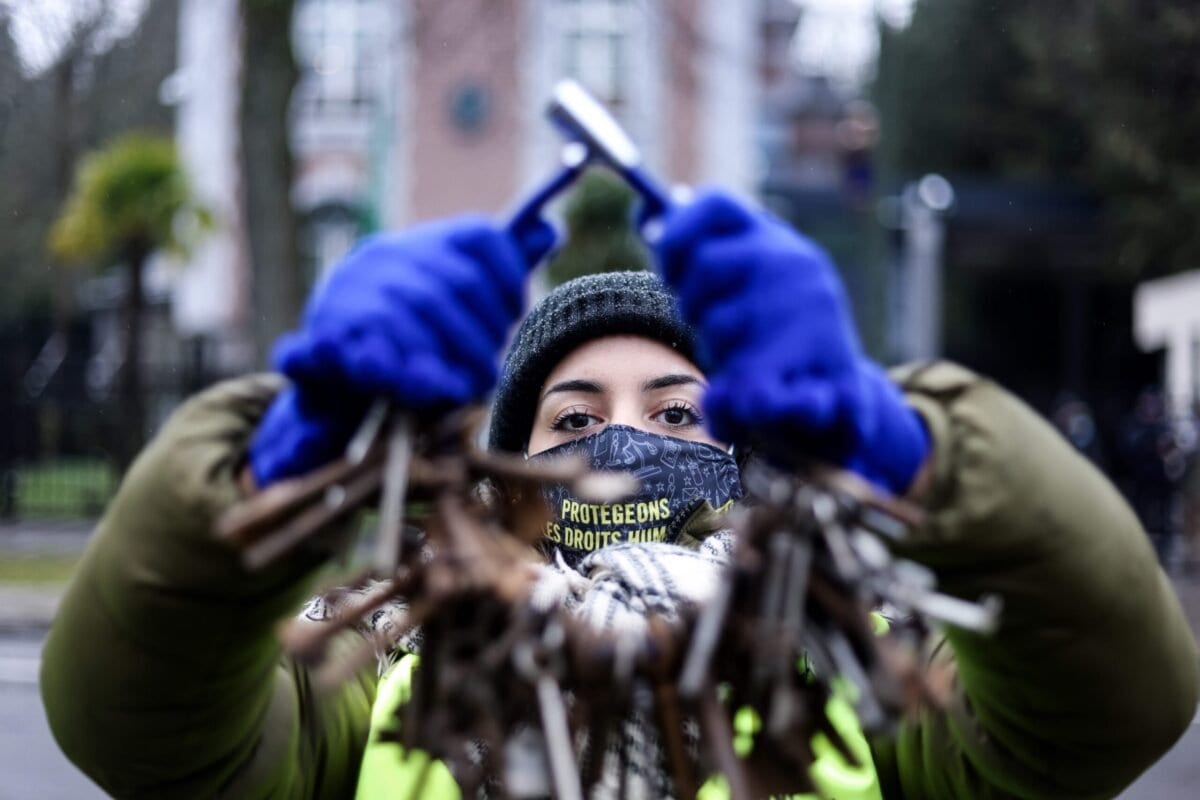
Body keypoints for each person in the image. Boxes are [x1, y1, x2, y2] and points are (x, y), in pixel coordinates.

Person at [41, 191, 1197, 799]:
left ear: (746, 451)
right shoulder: (382, 661)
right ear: (506, 478)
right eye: (576, 419)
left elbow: (1113, 696)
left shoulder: (858, 661)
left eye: (681, 412)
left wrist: (923, 456)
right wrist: (275, 467)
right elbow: (145, 720)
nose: (631, 440)